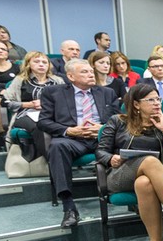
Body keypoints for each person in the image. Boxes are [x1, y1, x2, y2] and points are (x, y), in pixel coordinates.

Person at [97, 84, 163, 241]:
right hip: (119, 175)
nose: (157, 103)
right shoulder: (118, 121)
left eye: (158, 99)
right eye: (151, 100)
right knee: (150, 161)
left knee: (144, 183)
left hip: (153, 179)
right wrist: (110, 158)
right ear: (136, 104)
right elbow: (100, 151)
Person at [38, 59, 120, 228]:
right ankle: (69, 207)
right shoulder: (53, 92)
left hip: (101, 139)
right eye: (84, 72)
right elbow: (43, 122)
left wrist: (102, 128)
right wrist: (69, 130)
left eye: (91, 71)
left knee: (130, 141)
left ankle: (131, 195)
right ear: (70, 76)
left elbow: (119, 120)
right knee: (57, 146)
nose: (91, 74)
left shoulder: (107, 92)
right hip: (72, 139)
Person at [3, 51, 65, 158]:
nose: (41, 64)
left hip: (52, 115)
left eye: (44, 62)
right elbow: (5, 102)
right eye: (36, 61)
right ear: (28, 64)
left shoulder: (58, 81)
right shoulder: (20, 80)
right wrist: (28, 104)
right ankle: (51, 159)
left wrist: (46, 105)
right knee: (41, 126)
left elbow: (66, 102)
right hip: (26, 115)